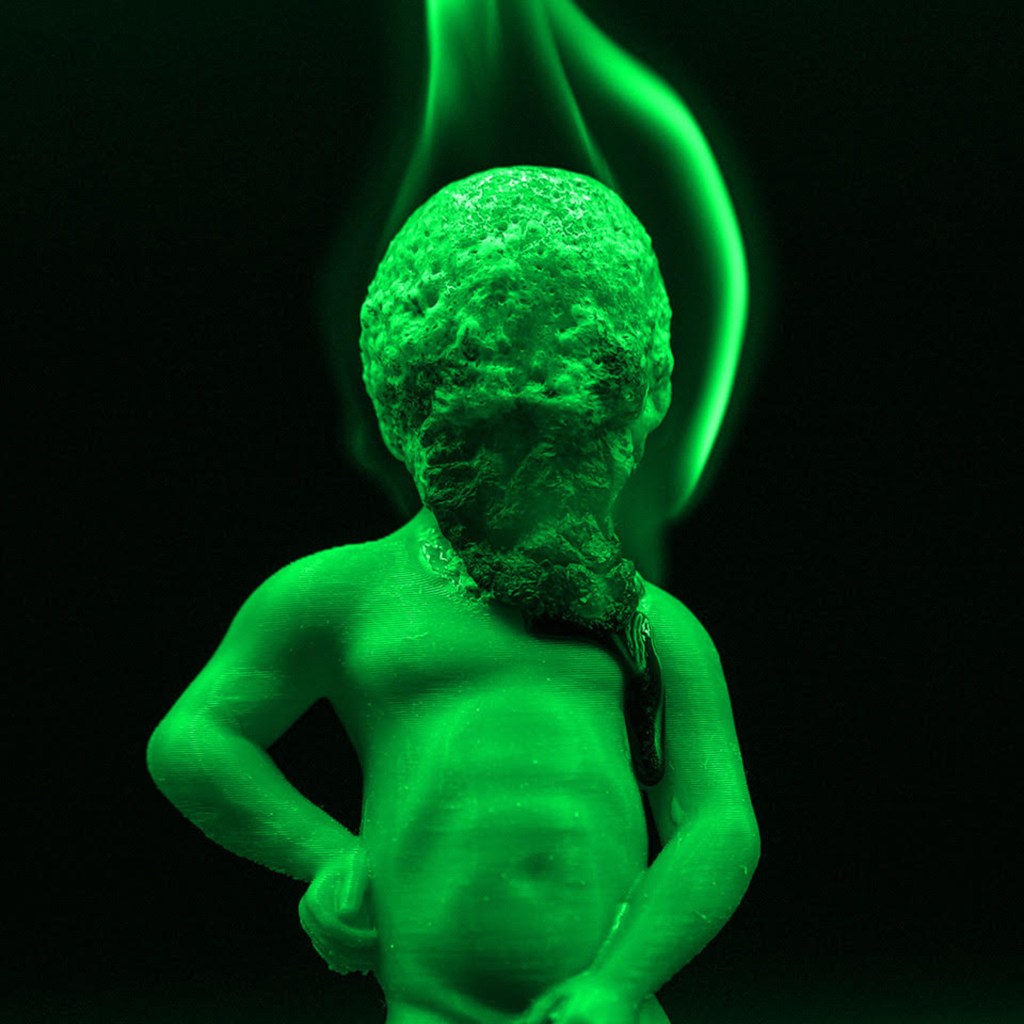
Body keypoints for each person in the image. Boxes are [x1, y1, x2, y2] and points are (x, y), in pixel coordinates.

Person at [147, 167, 760, 1024]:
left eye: (567, 436)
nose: (527, 466)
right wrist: (326, 855)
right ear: (409, 419)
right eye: (489, 435)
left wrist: (620, 981)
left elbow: (718, 825)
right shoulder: (347, 594)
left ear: (634, 416)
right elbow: (196, 738)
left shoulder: (651, 628)